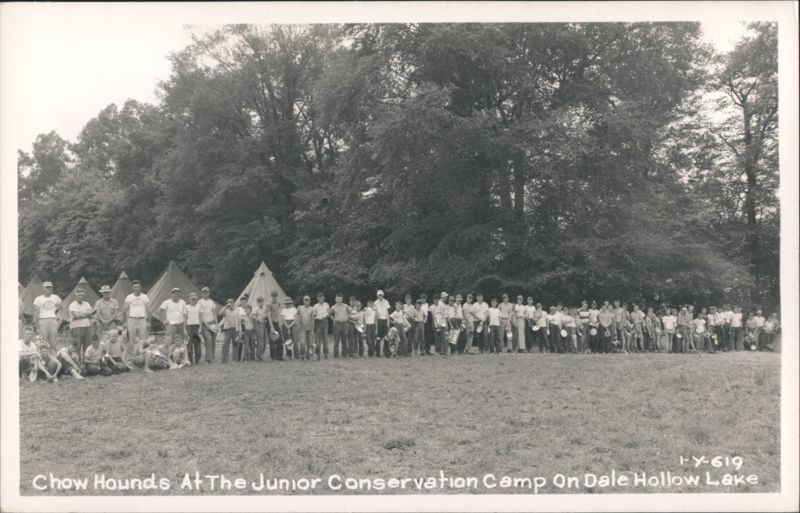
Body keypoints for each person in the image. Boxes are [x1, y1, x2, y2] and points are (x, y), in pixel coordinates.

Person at [68, 288, 95, 364]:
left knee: (87, 346)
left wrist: (82, 314)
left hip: (87, 327)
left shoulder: (86, 303)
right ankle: (77, 363)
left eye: (82, 295)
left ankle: (86, 363)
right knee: (77, 346)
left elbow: (91, 313)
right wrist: (87, 314)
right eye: (79, 295)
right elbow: (76, 316)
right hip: (77, 327)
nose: (81, 297)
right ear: (75, 295)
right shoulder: (72, 305)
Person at [33, 281, 62, 350]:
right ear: (43, 288)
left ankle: (53, 359)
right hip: (43, 321)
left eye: (50, 287)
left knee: (54, 343)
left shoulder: (56, 297)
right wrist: (37, 327)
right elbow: (36, 314)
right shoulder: (38, 299)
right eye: (47, 287)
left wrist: (60, 320)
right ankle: (45, 359)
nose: (49, 289)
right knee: (43, 342)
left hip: (53, 320)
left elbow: (61, 308)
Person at [124, 280, 150, 349]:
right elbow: (124, 310)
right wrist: (124, 322)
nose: (136, 288)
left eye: (138, 287)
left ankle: (141, 355)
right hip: (132, 319)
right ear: (132, 288)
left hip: (142, 319)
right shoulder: (129, 297)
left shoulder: (145, 297)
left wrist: (149, 322)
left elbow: (149, 310)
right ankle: (132, 356)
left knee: (143, 339)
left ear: (140, 287)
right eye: (135, 287)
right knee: (131, 339)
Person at [197, 287, 218, 363]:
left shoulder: (212, 302)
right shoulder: (199, 302)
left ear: (209, 293)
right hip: (204, 323)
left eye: (207, 292)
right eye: (204, 292)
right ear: (202, 293)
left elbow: (214, 313)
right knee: (208, 340)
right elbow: (200, 315)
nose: (205, 294)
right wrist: (205, 324)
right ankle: (208, 359)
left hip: (212, 322)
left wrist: (217, 324)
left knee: (213, 340)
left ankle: (212, 357)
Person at [220, 298, 241, 363]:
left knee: (235, 344)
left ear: (233, 303)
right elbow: (220, 313)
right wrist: (226, 306)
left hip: (235, 329)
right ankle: (224, 360)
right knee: (225, 345)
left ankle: (234, 359)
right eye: (228, 303)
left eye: (231, 303)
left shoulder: (237, 312)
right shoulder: (226, 311)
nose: (230, 304)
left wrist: (240, 331)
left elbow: (239, 322)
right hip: (228, 330)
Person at [185, 293, 203, 364]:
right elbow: (185, 318)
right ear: (189, 299)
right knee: (189, 344)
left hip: (197, 326)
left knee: (197, 343)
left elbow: (201, 317)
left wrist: (200, 327)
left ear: (197, 299)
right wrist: (184, 328)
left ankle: (198, 359)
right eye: (192, 299)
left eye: (195, 299)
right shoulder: (186, 307)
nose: (193, 300)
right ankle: (190, 359)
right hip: (189, 326)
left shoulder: (199, 307)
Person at [296, 295, 315, 360]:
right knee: (302, 342)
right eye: (305, 300)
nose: (306, 301)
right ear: (303, 300)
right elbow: (296, 316)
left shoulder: (312, 309)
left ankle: (308, 355)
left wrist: (313, 329)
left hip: (309, 328)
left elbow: (313, 319)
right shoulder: (299, 308)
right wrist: (298, 324)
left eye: (308, 300)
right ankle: (302, 355)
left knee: (309, 343)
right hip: (302, 328)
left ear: (310, 301)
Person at [266, 290, 283, 360]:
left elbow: (278, 314)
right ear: (271, 296)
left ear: (277, 296)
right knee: (272, 340)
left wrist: (280, 323)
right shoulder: (269, 305)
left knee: (280, 339)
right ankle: (273, 356)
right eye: (273, 296)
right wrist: (271, 327)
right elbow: (269, 316)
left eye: (275, 296)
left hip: (277, 322)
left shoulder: (279, 303)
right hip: (271, 323)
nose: (274, 298)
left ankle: (279, 356)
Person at [331, 293, 349, 358]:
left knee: (344, 340)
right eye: (338, 299)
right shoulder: (333, 307)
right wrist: (334, 320)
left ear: (342, 299)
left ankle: (345, 354)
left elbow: (349, 312)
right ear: (335, 299)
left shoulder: (346, 306)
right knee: (336, 340)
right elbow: (330, 314)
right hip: (337, 324)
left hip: (344, 324)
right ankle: (336, 354)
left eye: (340, 299)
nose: (339, 300)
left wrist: (347, 318)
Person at [313, 293, 330, 360]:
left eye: (322, 297)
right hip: (318, 322)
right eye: (319, 298)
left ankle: (326, 353)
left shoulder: (327, 304)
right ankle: (318, 354)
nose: (320, 299)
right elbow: (314, 315)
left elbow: (328, 314)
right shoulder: (315, 306)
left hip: (325, 321)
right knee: (318, 339)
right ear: (317, 298)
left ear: (324, 298)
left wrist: (325, 316)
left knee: (325, 338)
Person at [374, 290, 390, 357]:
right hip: (379, 320)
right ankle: (378, 353)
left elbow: (387, 312)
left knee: (386, 337)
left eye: (381, 295)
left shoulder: (386, 302)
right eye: (379, 295)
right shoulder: (375, 303)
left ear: (383, 295)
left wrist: (388, 322)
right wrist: (377, 323)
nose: (380, 296)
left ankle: (386, 353)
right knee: (378, 338)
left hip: (385, 320)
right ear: (377, 296)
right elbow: (376, 313)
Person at [252, 296, 268, 361]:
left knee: (264, 340)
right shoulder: (256, 309)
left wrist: (265, 316)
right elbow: (252, 315)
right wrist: (258, 319)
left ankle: (261, 353)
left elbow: (266, 315)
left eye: (262, 302)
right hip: (259, 325)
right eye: (259, 302)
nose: (261, 303)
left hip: (264, 324)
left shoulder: (264, 308)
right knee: (260, 340)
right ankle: (258, 355)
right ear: (257, 302)